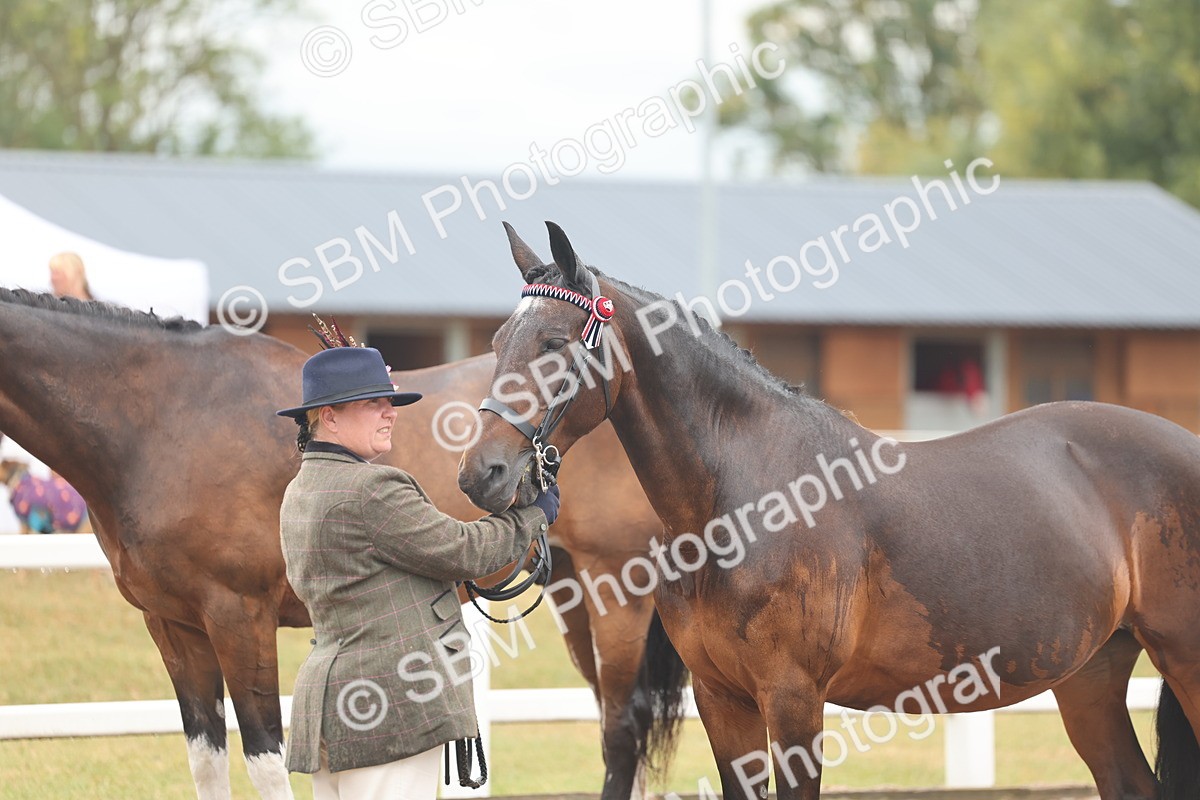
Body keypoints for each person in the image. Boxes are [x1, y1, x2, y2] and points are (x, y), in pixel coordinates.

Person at [276, 344, 560, 800]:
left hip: (329, 708)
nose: (389, 413)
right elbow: (465, 552)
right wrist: (533, 516)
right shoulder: (372, 487)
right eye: (373, 403)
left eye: (389, 402)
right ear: (328, 417)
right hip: (390, 708)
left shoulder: (299, 491)